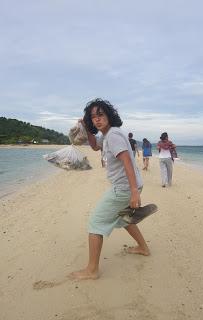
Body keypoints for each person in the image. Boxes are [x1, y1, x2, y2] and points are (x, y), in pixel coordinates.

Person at [69, 99, 150, 281]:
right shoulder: (107, 135)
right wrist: (88, 129)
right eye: (93, 117)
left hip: (124, 188)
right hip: (129, 185)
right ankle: (143, 248)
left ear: (109, 115)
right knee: (123, 219)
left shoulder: (112, 135)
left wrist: (134, 192)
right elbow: (94, 146)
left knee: (96, 222)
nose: (97, 119)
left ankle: (92, 270)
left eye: (101, 115)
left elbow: (127, 161)